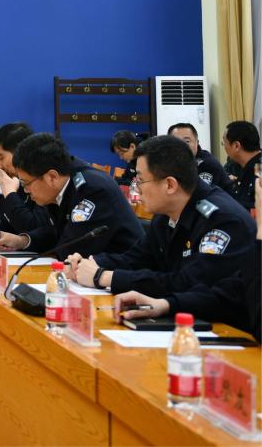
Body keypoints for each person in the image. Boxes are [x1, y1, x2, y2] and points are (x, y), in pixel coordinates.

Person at [66, 135, 255, 296]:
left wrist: (104, 277)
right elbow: (136, 259)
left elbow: (188, 284)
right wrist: (89, 263)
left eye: (140, 180)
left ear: (170, 185)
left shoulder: (223, 221)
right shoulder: (166, 213)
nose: (136, 189)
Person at [115, 173, 261, 341]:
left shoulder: (225, 218)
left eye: (141, 180)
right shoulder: (165, 216)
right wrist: (165, 305)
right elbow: (227, 296)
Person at [0, 133, 144, 258]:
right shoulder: (60, 185)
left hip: (123, 276)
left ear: (52, 177)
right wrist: (22, 240)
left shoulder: (92, 191)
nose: (25, 190)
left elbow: (70, 250)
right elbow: (54, 232)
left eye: (26, 183)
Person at [166, 122, 236, 195]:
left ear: (197, 142)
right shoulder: (170, 161)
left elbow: (200, 194)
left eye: (187, 141)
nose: (182, 146)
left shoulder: (207, 164)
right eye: (176, 141)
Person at [222, 120, 261, 210]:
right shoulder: (234, 164)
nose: (224, 146)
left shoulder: (259, 169)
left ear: (236, 146)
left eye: (224, 143)